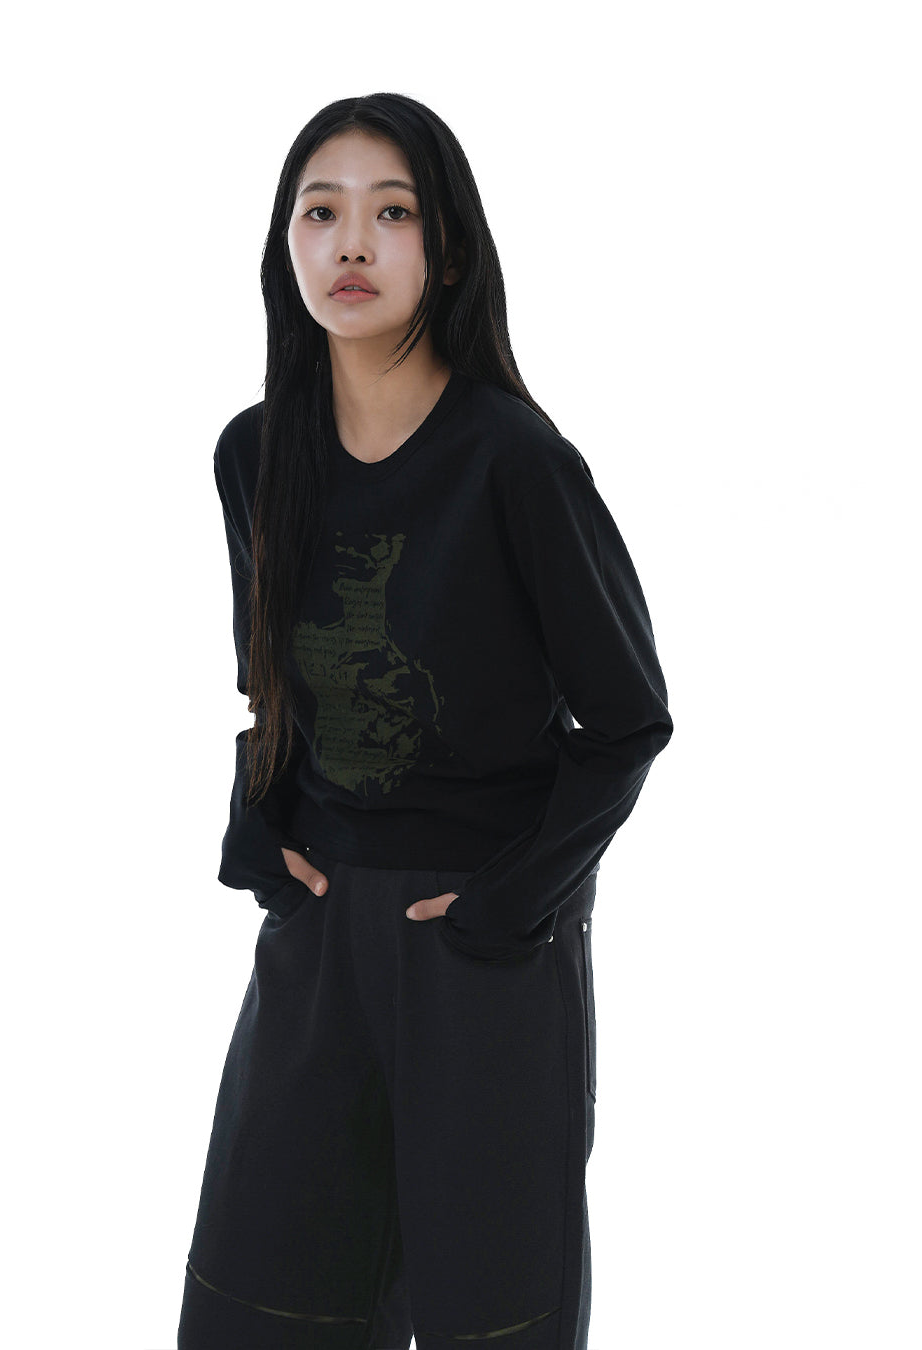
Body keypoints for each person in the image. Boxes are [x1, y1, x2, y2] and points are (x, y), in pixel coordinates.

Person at [176, 92, 673, 1350]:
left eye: (392, 213)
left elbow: (627, 719)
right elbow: (267, 681)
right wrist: (256, 827)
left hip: (480, 948)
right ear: (285, 247)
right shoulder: (254, 455)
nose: (352, 242)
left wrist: (513, 906)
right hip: (320, 935)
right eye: (321, 212)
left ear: (446, 253)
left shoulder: (514, 459)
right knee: (261, 1299)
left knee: (486, 1313)